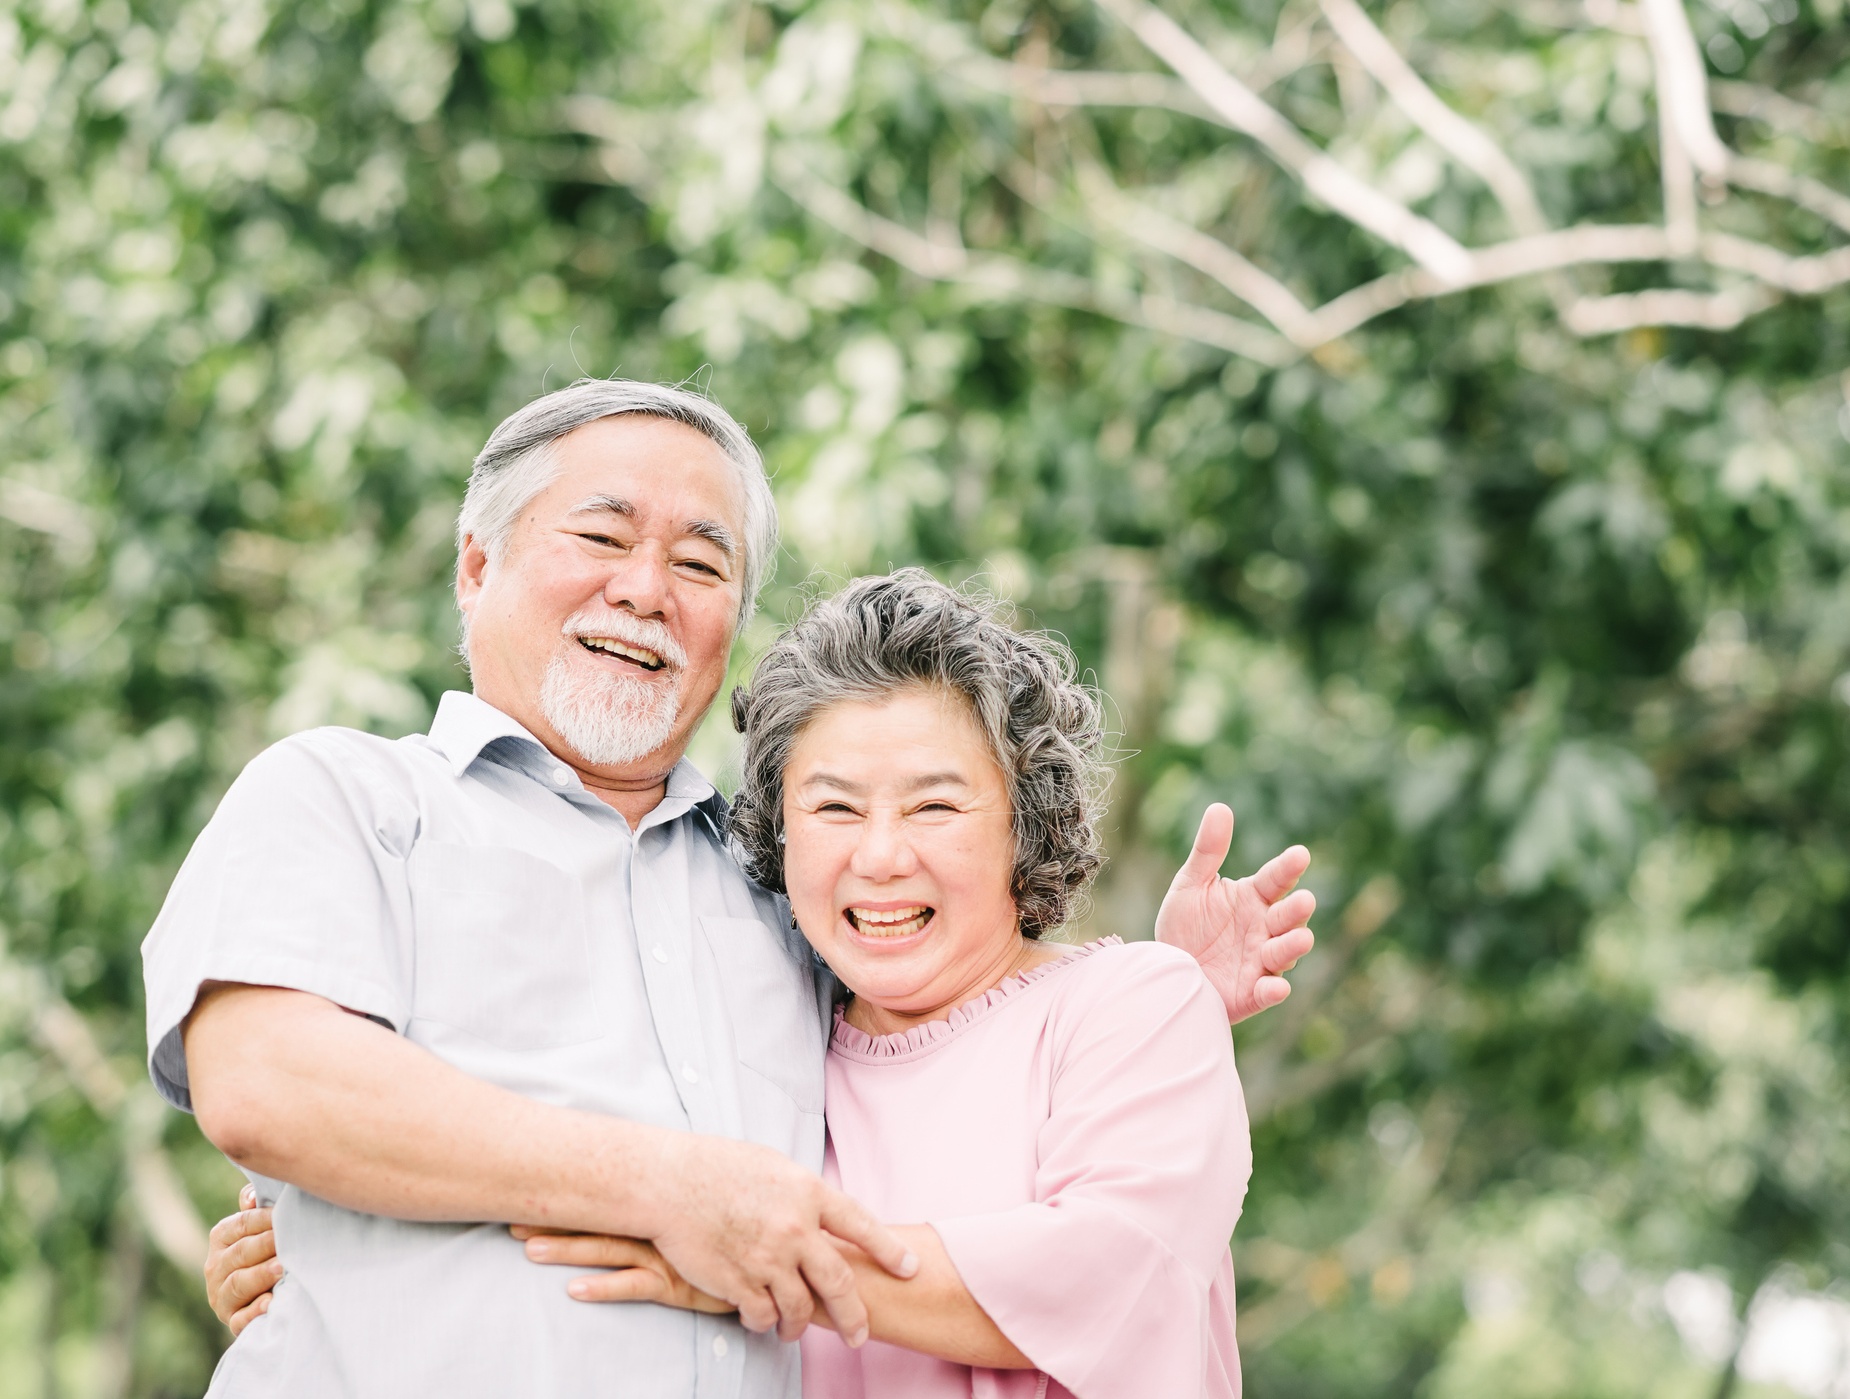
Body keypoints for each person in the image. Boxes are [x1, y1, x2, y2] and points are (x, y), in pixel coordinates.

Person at [150, 380, 1314, 1397]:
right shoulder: (345, 796)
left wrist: (1152, 993)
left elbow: (961, 1028)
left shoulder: (775, 891)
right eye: (601, 535)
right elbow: (265, 1083)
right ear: (476, 562)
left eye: (701, 562)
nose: (647, 588)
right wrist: (665, 1188)